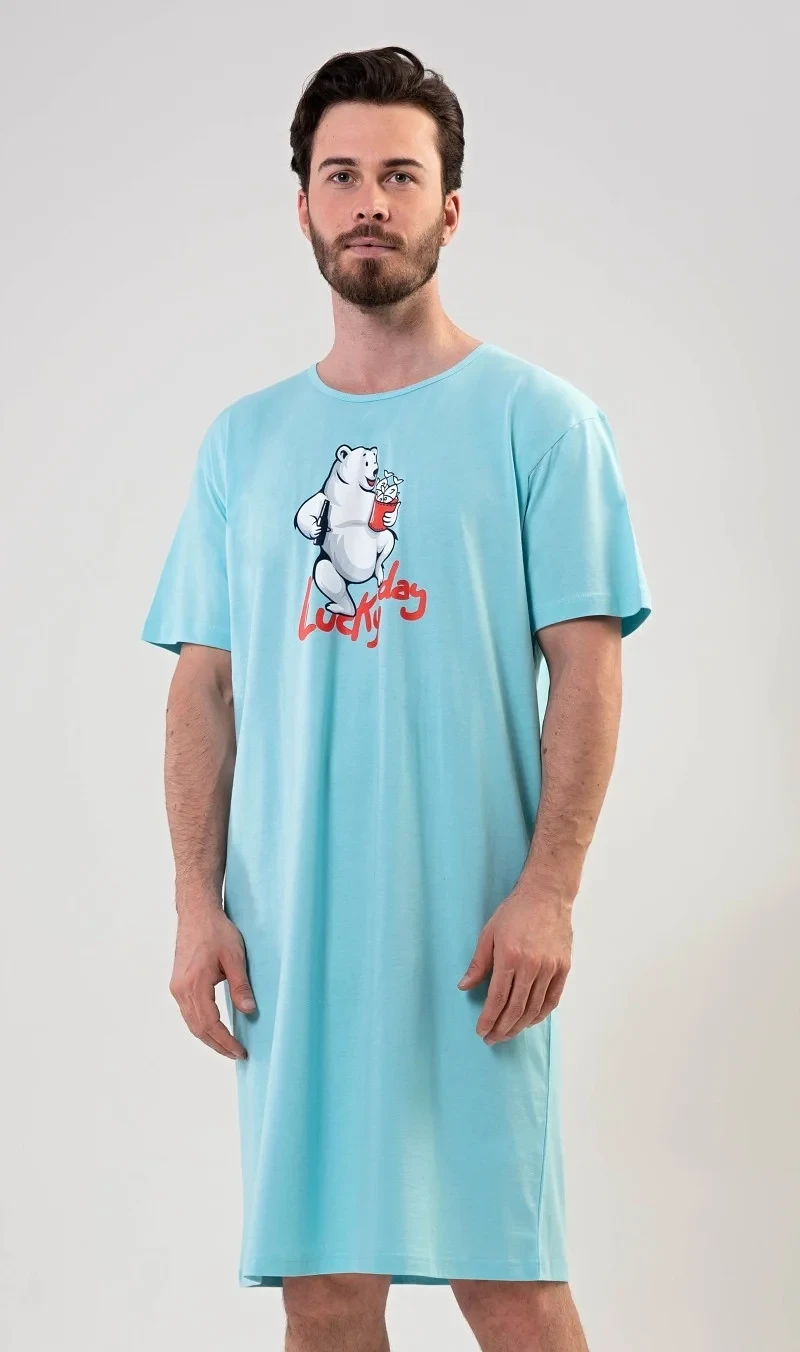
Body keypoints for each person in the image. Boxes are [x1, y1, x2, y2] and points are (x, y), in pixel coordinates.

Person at [141, 43, 652, 1352]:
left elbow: (589, 665)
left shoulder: (542, 421)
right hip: (290, 944)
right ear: (304, 205)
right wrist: (197, 904)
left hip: (475, 938)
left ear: (450, 208)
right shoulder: (243, 444)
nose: (370, 200)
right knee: (323, 1292)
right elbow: (205, 686)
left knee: (509, 1283)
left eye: (400, 175)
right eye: (342, 174)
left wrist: (550, 890)